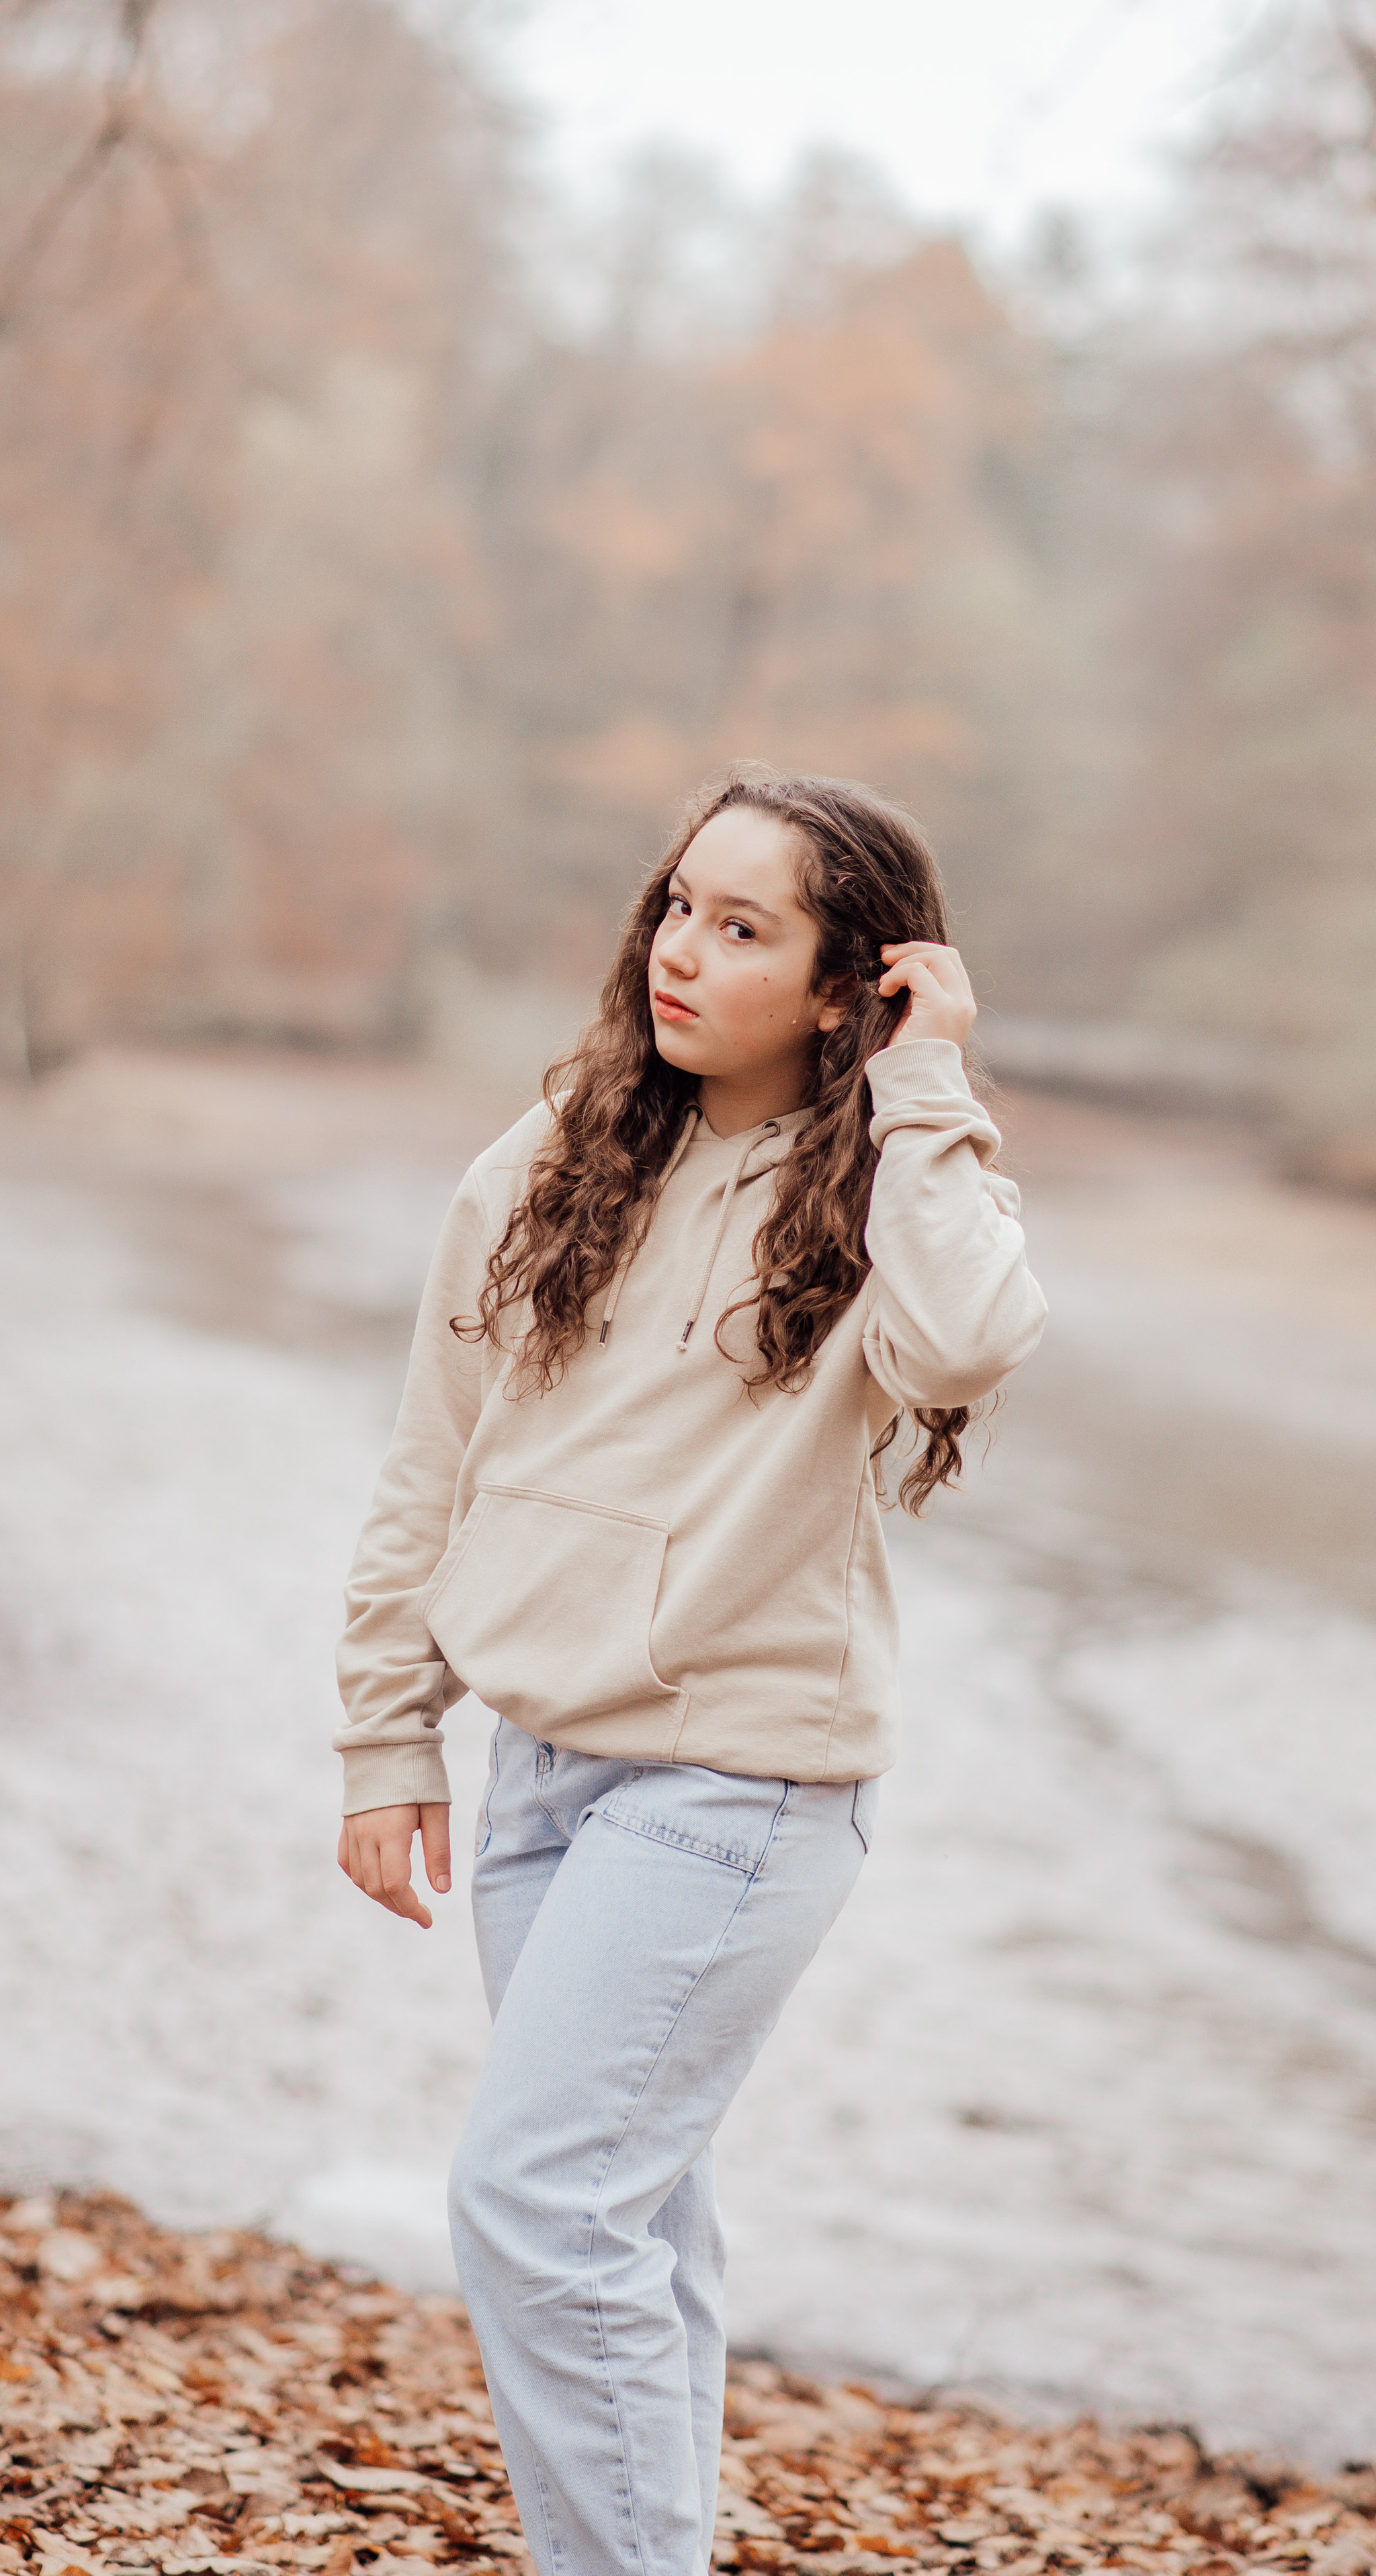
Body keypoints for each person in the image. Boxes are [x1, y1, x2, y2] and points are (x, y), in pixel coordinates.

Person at [333, 766, 1047, 2576]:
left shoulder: (890, 1178)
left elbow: (970, 1341)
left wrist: (926, 1084)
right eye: (678, 905)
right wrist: (385, 1734)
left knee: (535, 2202)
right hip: (541, 1781)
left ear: (843, 983)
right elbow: (436, 1454)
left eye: (747, 926)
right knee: (630, 2218)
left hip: (740, 1784)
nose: (684, 949)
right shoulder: (559, 1148)